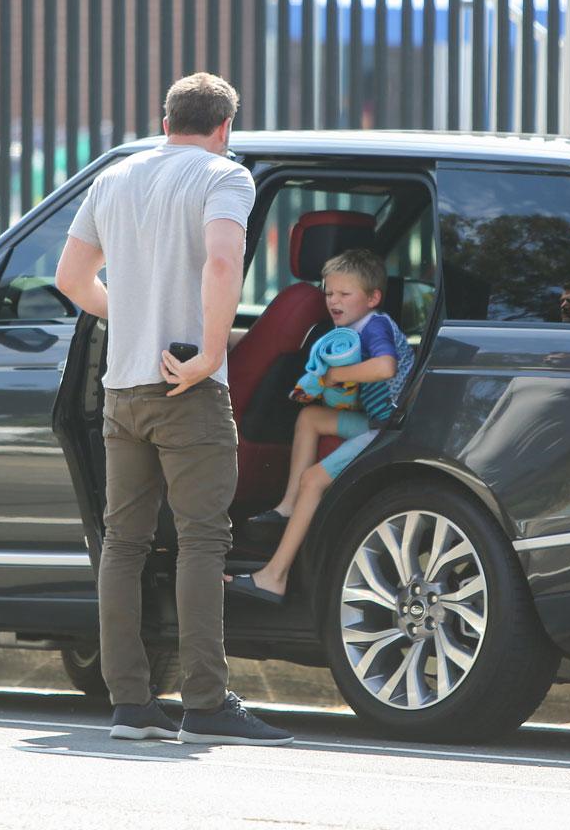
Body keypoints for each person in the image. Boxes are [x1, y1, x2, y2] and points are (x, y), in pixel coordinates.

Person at [54, 72, 293, 746]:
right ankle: (206, 703)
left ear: (166, 120)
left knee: (122, 546)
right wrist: (210, 351)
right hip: (187, 391)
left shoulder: (115, 177)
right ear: (225, 127)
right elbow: (222, 264)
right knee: (201, 540)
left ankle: (130, 704)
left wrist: (127, 311)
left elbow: (72, 280)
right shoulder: (225, 176)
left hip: (122, 389)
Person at [228, 248, 415, 603]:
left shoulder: (374, 325)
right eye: (329, 293)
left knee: (314, 479)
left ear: (373, 298)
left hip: (387, 429)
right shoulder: (351, 328)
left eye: (345, 294)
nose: (333, 301)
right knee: (310, 417)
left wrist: (333, 375)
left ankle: (275, 576)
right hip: (374, 420)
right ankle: (287, 505)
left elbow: (385, 368)